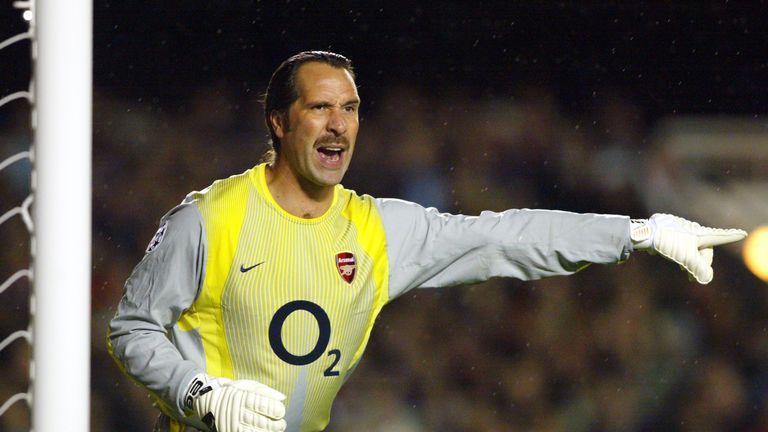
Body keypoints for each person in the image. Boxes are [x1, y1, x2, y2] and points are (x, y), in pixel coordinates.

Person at [107, 51, 747, 432]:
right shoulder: (208, 219)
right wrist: (200, 392)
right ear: (278, 121)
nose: (339, 124)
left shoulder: (381, 230)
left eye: (351, 108)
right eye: (320, 108)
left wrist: (639, 232)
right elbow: (131, 329)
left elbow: (507, 237)